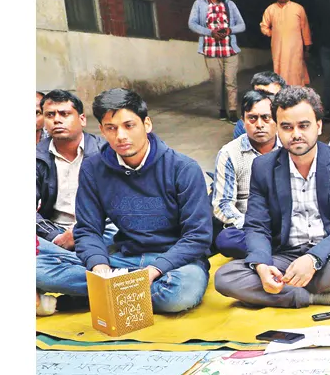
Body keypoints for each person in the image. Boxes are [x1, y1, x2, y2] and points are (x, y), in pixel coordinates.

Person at [35, 89, 212, 315]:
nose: (120, 136)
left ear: (147, 124)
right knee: (36, 269)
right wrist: (99, 266)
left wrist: (155, 270)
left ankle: (89, 298)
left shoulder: (183, 168)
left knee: (179, 293)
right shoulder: (94, 168)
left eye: (129, 125)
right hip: (123, 258)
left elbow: (198, 236)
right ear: (102, 130)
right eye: (111, 128)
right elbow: (88, 229)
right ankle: (122, 290)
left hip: (174, 263)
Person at [214, 86, 330, 308]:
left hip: (329, 255)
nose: (295, 134)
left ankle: (280, 291)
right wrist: (262, 265)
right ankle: (313, 297)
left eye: (303, 126)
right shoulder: (263, 167)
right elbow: (257, 225)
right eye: (287, 127)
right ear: (277, 128)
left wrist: (313, 259)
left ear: (318, 125)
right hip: (284, 256)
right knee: (225, 277)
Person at [35, 90, 107, 314]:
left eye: (64, 114)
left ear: (82, 119)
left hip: (101, 231)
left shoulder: (106, 152)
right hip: (55, 237)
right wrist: (55, 236)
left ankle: (72, 277)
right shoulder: (35, 157)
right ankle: (122, 281)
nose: (57, 120)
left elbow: (121, 206)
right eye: (50, 115)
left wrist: (81, 231)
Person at [211, 91, 280, 259]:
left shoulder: (288, 148)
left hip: (285, 224)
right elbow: (222, 203)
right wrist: (252, 224)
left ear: (277, 119)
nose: (259, 124)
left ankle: (267, 251)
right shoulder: (229, 153)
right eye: (252, 118)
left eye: (266, 118)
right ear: (242, 121)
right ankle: (281, 250)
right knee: (226, 239)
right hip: (247, 227)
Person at [188, 0, 247, 122]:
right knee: (217, 82)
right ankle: (221, 109)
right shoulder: (199, 4)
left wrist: (229, 30)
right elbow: (192, 23)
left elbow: (242, 25)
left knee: (231, 81)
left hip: (229, 49)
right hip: (211, 50)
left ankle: (232, 111)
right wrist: (210, 32)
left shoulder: (230, 4)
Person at [260, 0, 311, 86]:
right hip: (278, 48)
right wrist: (272, 33)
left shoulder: (298, 8)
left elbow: (305, 28)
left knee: (296, 71)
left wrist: (307, 45)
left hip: (295, 48)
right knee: (279, 70)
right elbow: (263, 26)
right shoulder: (270, 9)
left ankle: (297, 92)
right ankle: (282, 92)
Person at [231, 71, 286, 138]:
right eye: (259, 94)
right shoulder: (243, 125)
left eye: (271, 96)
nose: (264, 99)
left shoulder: (293, 120)